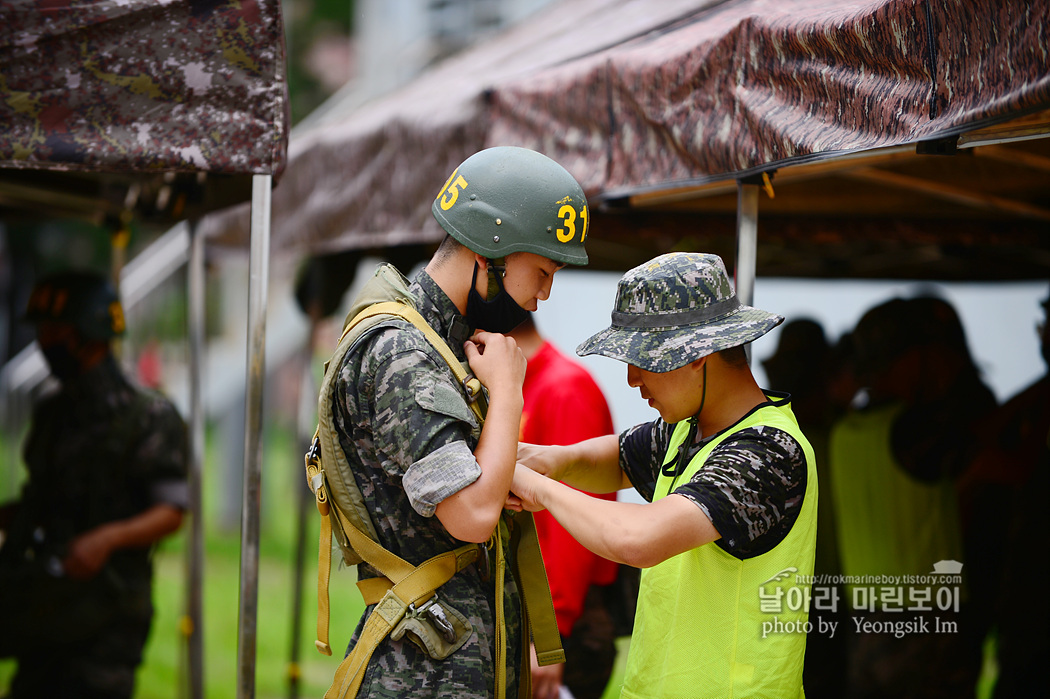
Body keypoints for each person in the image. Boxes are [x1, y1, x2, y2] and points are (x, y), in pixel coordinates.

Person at [323, 146, 590, 698]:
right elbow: (470, 514)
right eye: (540, 271)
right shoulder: (401, 353)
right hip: (422, 678)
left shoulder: (441, 347)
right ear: (489, 248)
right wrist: (509, 392)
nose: (541, 298)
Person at [510, 251, 818, 699]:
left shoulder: (767, 451)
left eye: (645, 357)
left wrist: (538, 487)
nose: (633, 378)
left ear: (699, 353)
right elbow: (617, 457)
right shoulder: (687, 431)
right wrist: (548, 458)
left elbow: (639, 540)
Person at [0, 270, 188, 699]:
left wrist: (105, 540)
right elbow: (40, 499)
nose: (46, 341)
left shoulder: (148, 416)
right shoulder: (52, 413)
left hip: (109, 615)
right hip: (46, 605)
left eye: (56, 330)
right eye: (43, 330)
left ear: (91, 333)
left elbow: (171, 511)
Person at [829, 294, 995, 699]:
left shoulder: (845, 432)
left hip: (866, 629)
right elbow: (1005, 463)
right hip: (927, 629)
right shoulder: (915, 434)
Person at [508, 314, 621, 699]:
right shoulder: (521, 386)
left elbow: (576, 525)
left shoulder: (564, 389)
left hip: (562, 625)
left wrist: (548, 634)